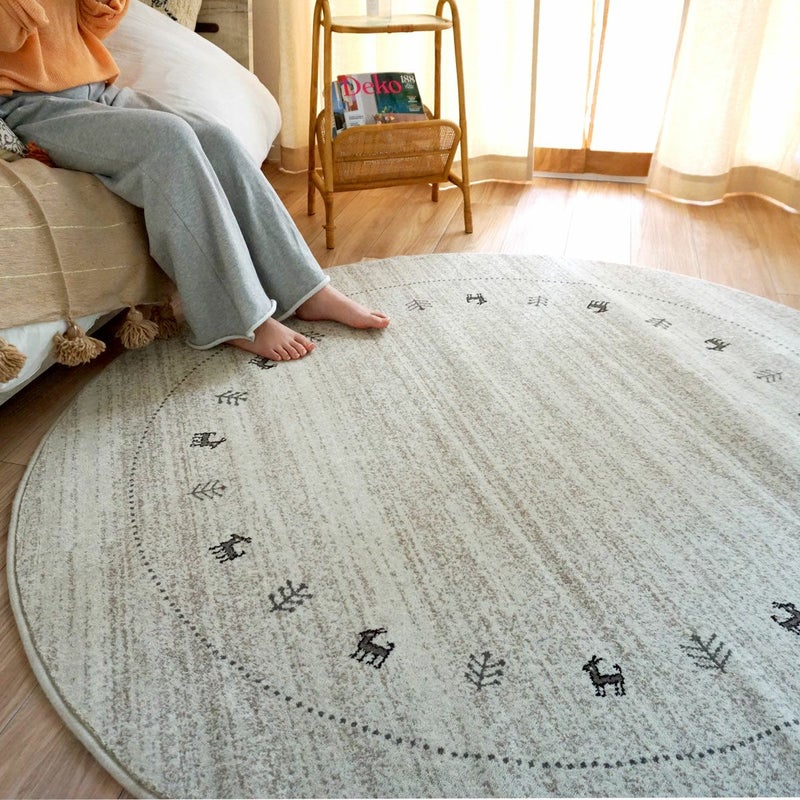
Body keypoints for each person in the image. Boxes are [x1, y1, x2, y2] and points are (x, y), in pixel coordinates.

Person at [0, 0, 389, 362]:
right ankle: (235, 318)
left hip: (97, 89)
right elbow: (10, 34)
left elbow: (96, 25)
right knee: (168, 141)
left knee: (216, 138)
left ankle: (305, 289)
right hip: (31, 105)